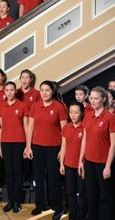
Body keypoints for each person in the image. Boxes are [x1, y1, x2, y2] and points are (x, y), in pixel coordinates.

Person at [24, 80, 68, 219]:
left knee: (54, 179)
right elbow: (30, 127)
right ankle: (40, 205)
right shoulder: (35, 106)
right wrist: (28, 146)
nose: (44, 93)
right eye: (42, 90)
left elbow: (65, 131)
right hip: (37, 147)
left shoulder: (59, 107)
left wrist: (62, 149)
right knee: (38, 177)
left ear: (52, 91)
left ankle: (58, 207)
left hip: (54, 147)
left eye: (47, 90)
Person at [78, 86, 115, 220]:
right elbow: (85, 140)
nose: (92, 101)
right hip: (89, 162)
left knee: (105, 195)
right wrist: (81, 161)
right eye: (91, 98)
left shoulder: (110, 117)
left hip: (103, 163)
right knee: (91, 194)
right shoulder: (88, 115)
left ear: (103, 99)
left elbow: (113, 144)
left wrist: (108, 166)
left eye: (96, 99)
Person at [0, 81, 28, 213]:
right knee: (9, 173)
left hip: (19, 142)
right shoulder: (1, 107)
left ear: (15, 91)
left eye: (11, 90)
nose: (9, 92)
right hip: (6, 143)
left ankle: (17, 201)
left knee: (17, 172)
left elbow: (26, 127)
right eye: (7, 90)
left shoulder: (22, 106)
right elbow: (0, 128)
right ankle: (10, 200)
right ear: (4, 92)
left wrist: (28, 145)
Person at [59, 102, 86, 220]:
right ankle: (73, 215)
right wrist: (61, 164)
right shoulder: (66, 127)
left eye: (76, 113)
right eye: (71, 113)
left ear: (82, 113)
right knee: (71, 191)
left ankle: (81, 215)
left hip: (81, 166)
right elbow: (63, 147)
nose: (73, 115)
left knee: (82, 192)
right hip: (68, 165)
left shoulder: (85, 127)